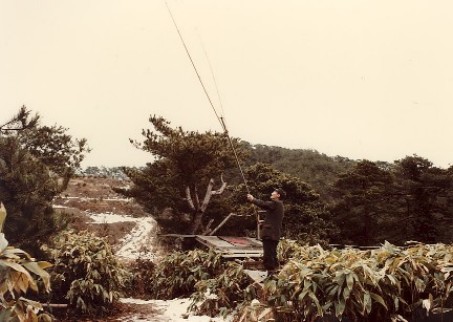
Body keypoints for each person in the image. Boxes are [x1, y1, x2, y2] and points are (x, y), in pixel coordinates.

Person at [247, 188, 285, 276]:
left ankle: (271, 274)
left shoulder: (276, 203)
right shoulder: (278, 205)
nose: (272, 193)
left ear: (278, 195)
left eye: (274, 192)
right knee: (272, 254)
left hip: (270, 234)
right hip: (273, 234)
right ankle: (275, 272)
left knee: (268, 255)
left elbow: (264, 204)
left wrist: (253, 199)